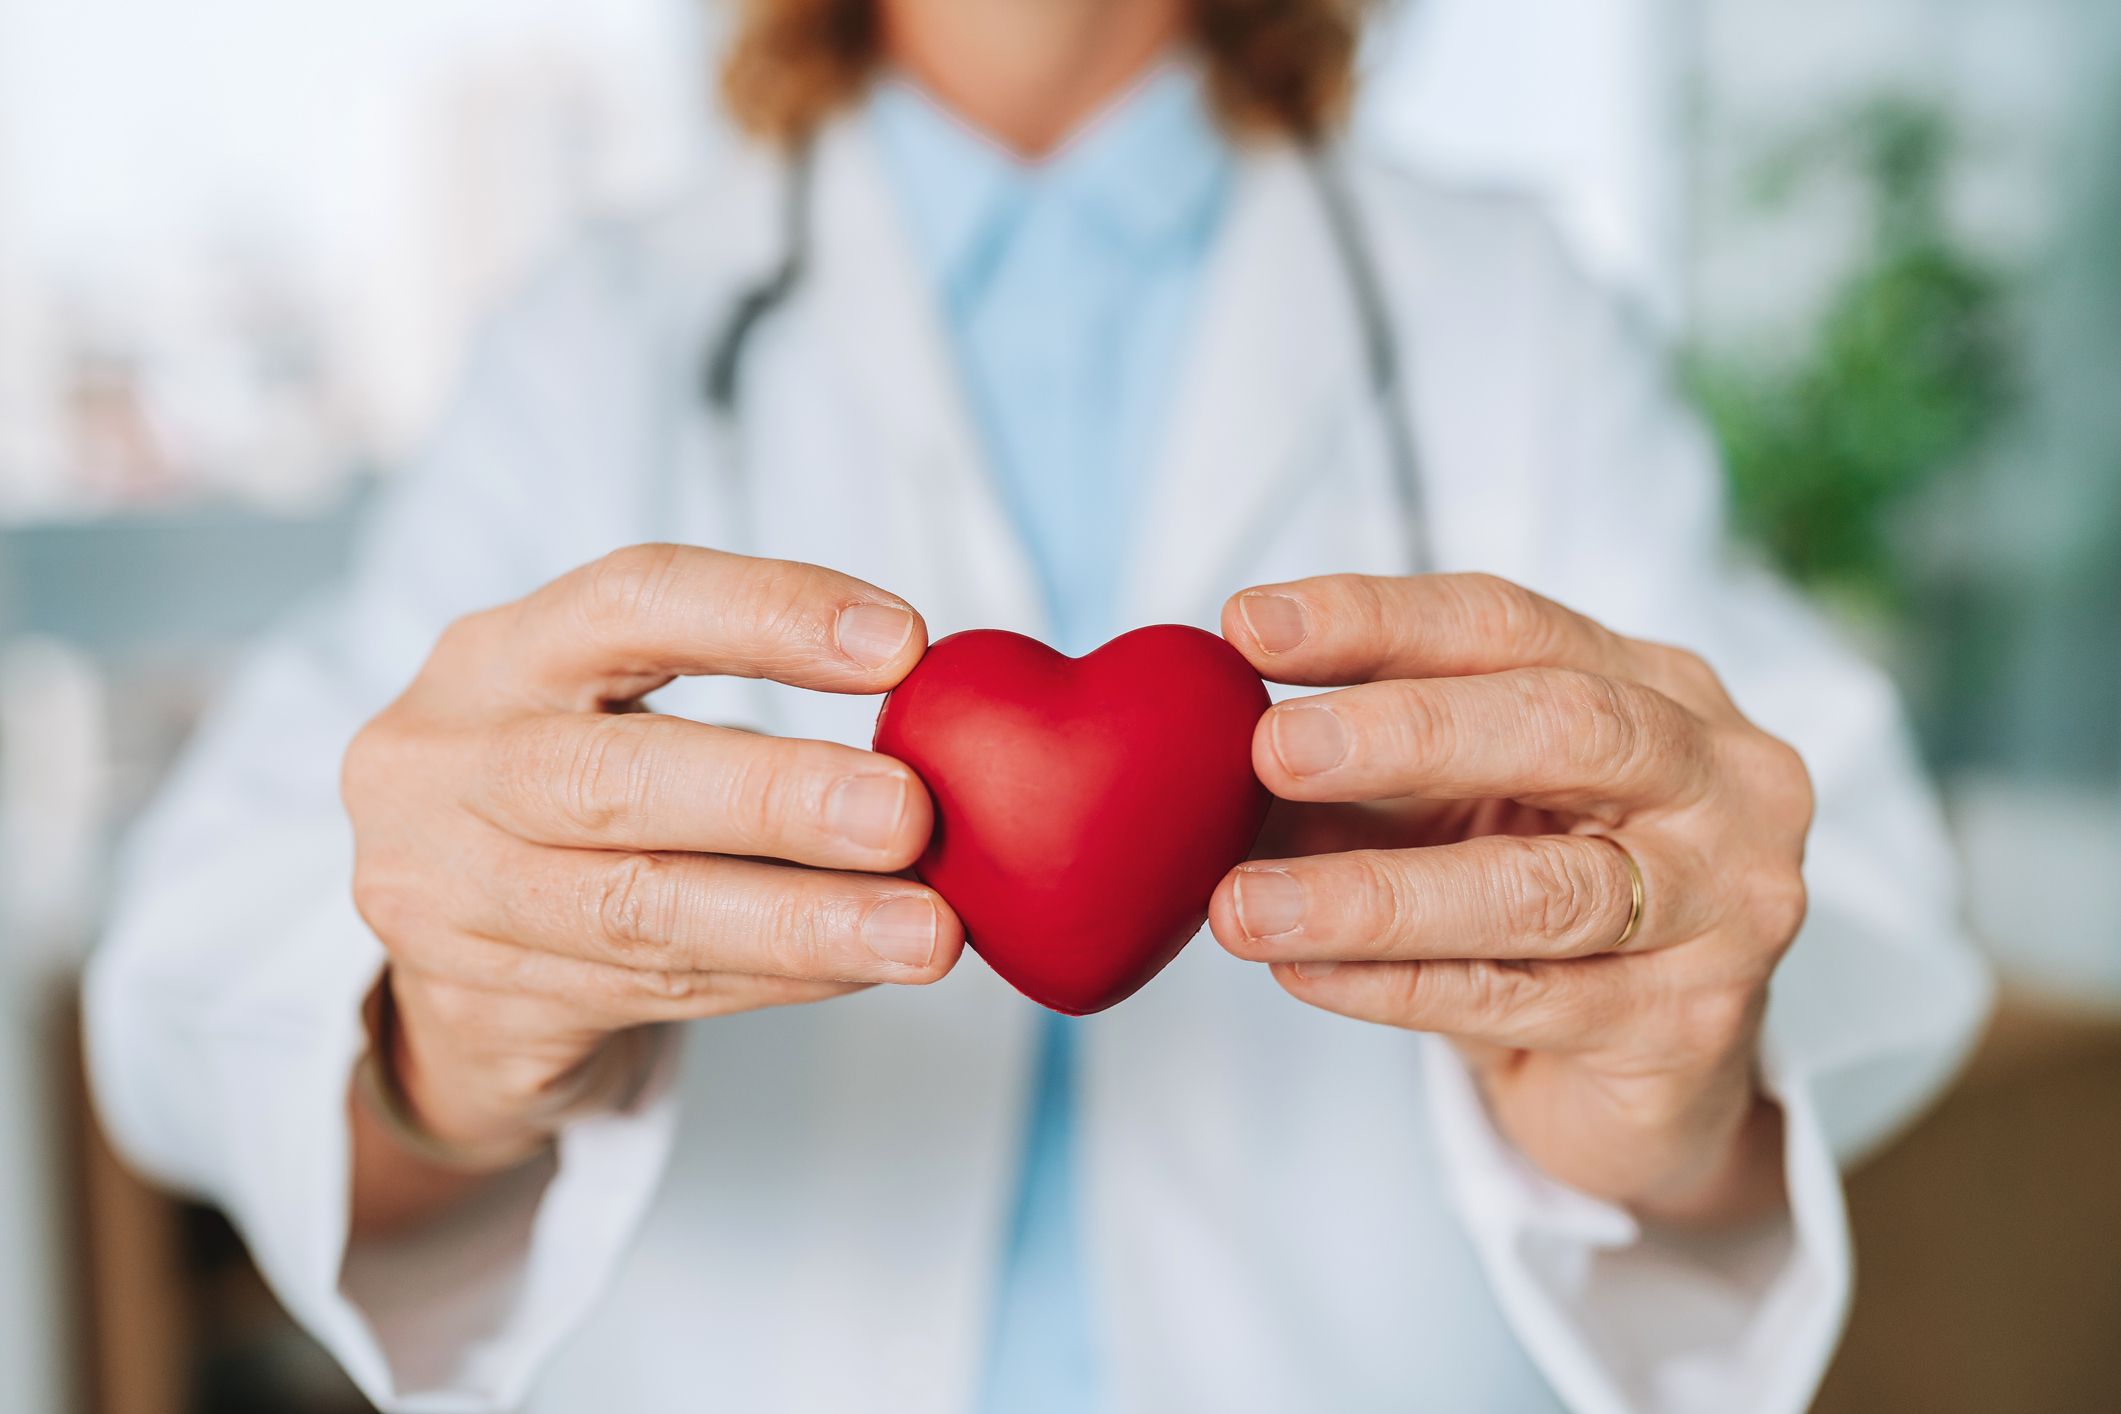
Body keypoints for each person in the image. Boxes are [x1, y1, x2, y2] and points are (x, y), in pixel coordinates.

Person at [84, 0, 1992, 1410]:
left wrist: (1669, 1067)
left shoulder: (1505, 308)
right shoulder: (600, 331)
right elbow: (193, 987)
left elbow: (1851, 903)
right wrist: (438, 1035)